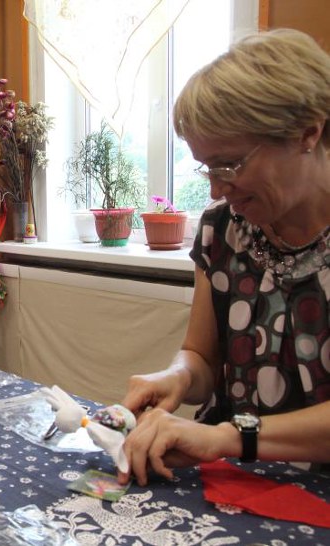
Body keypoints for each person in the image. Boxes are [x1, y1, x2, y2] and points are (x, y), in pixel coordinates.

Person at [118, 29, 330, 487]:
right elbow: (201, 356)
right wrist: (177, 376)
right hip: (233, 479)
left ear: (308, 133)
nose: (216, 188)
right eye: (206, 168)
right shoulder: (223, 229)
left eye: (229, 164)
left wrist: (228, 437)